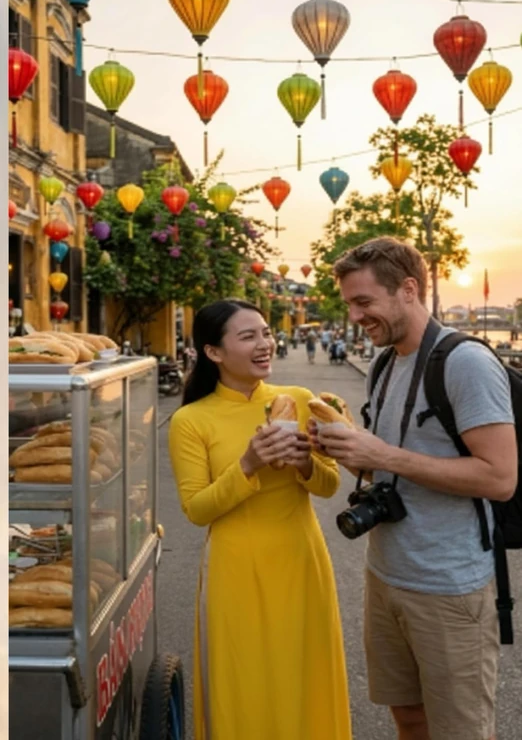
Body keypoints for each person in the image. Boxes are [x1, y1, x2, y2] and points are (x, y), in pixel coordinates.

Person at [310, 237, 517, 740]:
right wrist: (342, 450)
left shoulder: (465, 362)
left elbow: (500, 477)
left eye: (364, 302)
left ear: (408, 289)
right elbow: (389, 469)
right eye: (350, 305)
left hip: (449, 588)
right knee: (409, 718)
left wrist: (381, 455)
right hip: (385, 576)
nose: (356, 316)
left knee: (460, 730)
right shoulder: (386, 362)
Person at [169, 299, 352, 740]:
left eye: (266, 333)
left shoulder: (301, 402)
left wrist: (304, 465)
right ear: (214, 352)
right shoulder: (190, 421)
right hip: (236, 569)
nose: (264, 344)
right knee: (243, 681)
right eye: (248, 336)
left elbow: (328, 486)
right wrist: (248, 464)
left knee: (306, 675)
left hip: (302, 558)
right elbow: (198, 510)